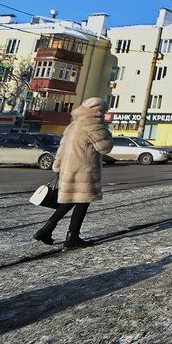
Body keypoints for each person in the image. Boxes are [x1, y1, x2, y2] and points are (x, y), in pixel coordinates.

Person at [33, 97, 113, 249]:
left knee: (71, 201)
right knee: (82, 202)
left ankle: (47, 230)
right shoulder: (94, 125)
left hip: (68, 169)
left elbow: (62, 148)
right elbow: (105, 147)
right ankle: (71, 238)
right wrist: (107, 133)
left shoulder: (72, 125)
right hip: (85, 170)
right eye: (104, 111)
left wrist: (57, 166)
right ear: (98, 111)